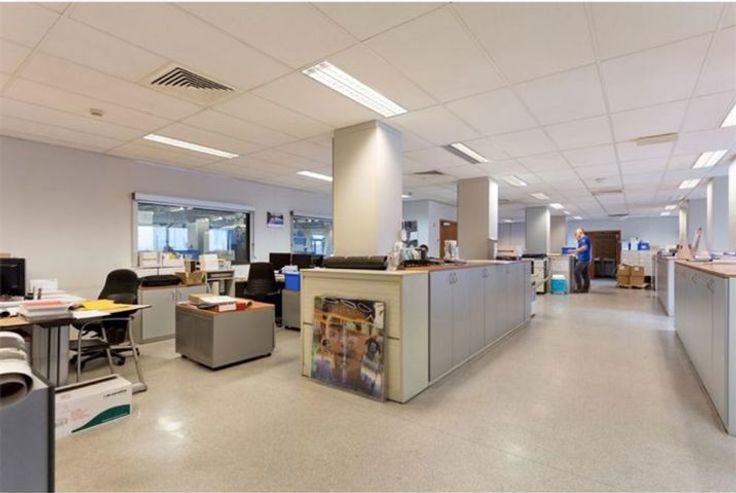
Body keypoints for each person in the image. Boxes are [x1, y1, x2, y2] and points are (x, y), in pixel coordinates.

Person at [574, 228, 592, 293]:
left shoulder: (584, 238)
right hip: (585, 258)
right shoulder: (582, 239)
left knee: (576, 272)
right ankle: (585, 288)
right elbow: (581, 248)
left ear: (580, 232)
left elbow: (584, 248)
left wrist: (575, 250)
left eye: (577, 233)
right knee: (585, 273)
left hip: (583, 259)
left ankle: (579, 288)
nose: (576, 234)